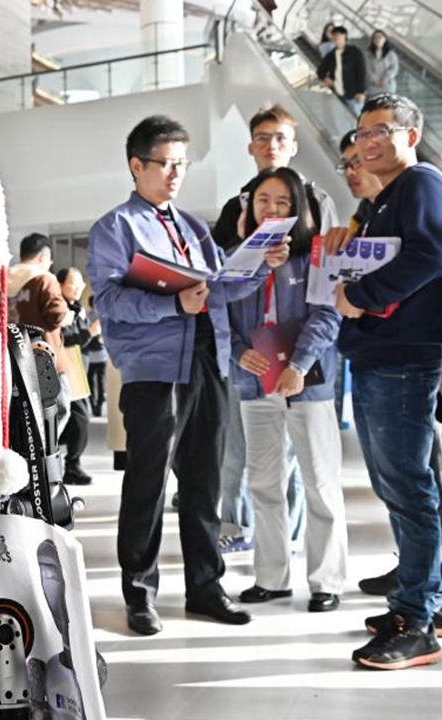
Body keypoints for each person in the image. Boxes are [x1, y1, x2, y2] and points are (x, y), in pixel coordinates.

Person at [87, 114, 286, 635]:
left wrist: (261, 264)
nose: (176, 173)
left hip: (208, 362)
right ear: (137, 165)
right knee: (148, 484)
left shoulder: (195, 227)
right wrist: (174, 303)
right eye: (166, 163)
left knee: (204, 484)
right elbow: (109, 301)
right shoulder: (116, 227)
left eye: (182, 163)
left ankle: (205, 587)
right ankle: (139, 591)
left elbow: (220, 288)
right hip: (154, 371)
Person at [324, 95, 442, 670]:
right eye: (361, 133)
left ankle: (417, 619)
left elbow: (431, 256)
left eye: (381, 131)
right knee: (400, 485)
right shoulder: (387, 198)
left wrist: (360, 295)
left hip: (403, 358)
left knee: (407, 487)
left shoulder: (421, 183)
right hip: (381, 356)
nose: (367, 142)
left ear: (413, 132)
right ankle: (431, 599)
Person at [213, 104, 337, 554]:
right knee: (241, 448)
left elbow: (326, 281)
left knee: (298, 458)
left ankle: (295, 536)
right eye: (263, 138)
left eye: (280, 138)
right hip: (250, 349)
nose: (272, 146)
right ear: (251, 146)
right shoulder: (236, 208)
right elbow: (220, 282)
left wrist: (304, 356)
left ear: (294, 144)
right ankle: (239, 529)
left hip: (301, 349)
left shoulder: (317, 201)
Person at [228, 167, 347, 614]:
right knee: (263, 483)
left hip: (307, 382)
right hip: (253, 382)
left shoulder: (317, 255)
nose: (272, 209)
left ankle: (326, 581)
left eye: (282, 202)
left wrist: (299, 364)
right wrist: (239, 352)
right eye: (263, 201)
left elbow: (328, 313)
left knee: (319, 482)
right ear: (250, 207)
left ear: (298, 209)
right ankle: (271, 578)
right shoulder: (235, 258)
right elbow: (219, 314)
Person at [5, 233, 71, 436]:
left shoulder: (3, 278)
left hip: (11, 359)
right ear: (44, 256)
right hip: (44, 359)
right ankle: (45, 460)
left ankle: (27, 459)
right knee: (57, 412)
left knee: (20, 417)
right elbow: (57, 314)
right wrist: (69, 316)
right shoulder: (45, 278)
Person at [55, 266, 97, 486]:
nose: (79, 287)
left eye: (81, 283)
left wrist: (92, 336)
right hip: (64, 369)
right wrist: (89, 332)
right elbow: (63, 337)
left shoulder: (76, 308)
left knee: (75, 418)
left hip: (76, 369)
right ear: (60, 285)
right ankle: (71, 465)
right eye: (74, 283)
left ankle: (70, 464)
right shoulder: (59, 307)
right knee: (80, 417)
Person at [316, 26, 367, 114]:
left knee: (357, 118)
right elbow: (320, 71)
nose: (335, 37)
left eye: (338, 35)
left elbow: (361, 72)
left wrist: (361, 91)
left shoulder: (354, 52)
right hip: (337, 93)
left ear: (344, 36)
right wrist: (326, 79)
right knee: (340, 119)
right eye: (333, 35)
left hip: (353, 93)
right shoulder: (331, 55)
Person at [84, 295, 108, 417]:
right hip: (102, 355)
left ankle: (94, 406)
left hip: (89, 356)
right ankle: (98, 405)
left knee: (90, 383)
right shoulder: (103, 316)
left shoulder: (86, 316)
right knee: (101, 382)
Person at [366, 30, 400, 96]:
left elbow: (394, 68)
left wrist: (385, 78)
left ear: (385, 39)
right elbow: (366, 69)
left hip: (388, 87)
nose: (378, 39)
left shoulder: (391, 54)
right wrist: (375, 80)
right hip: (372, 87)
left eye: (380, 37)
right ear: (372, 40)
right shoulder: (367, 55)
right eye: (375, 37)